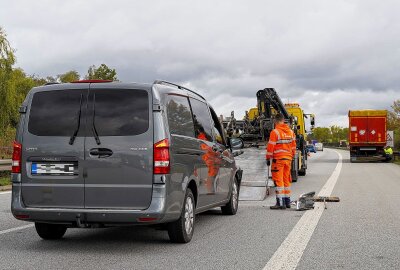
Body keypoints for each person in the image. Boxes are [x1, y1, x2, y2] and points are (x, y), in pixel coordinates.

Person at [266, 113, 296, 210]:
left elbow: (271, 147)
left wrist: (268, 158)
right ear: (283, 120)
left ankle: (280, 203)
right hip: (288, 159)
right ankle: (287, 202)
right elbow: (293, 147)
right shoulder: (291, 132)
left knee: (278, 181)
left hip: (278, 160)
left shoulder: (275, 132)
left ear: (275, 121)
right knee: (286, 180)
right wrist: (291, 156)